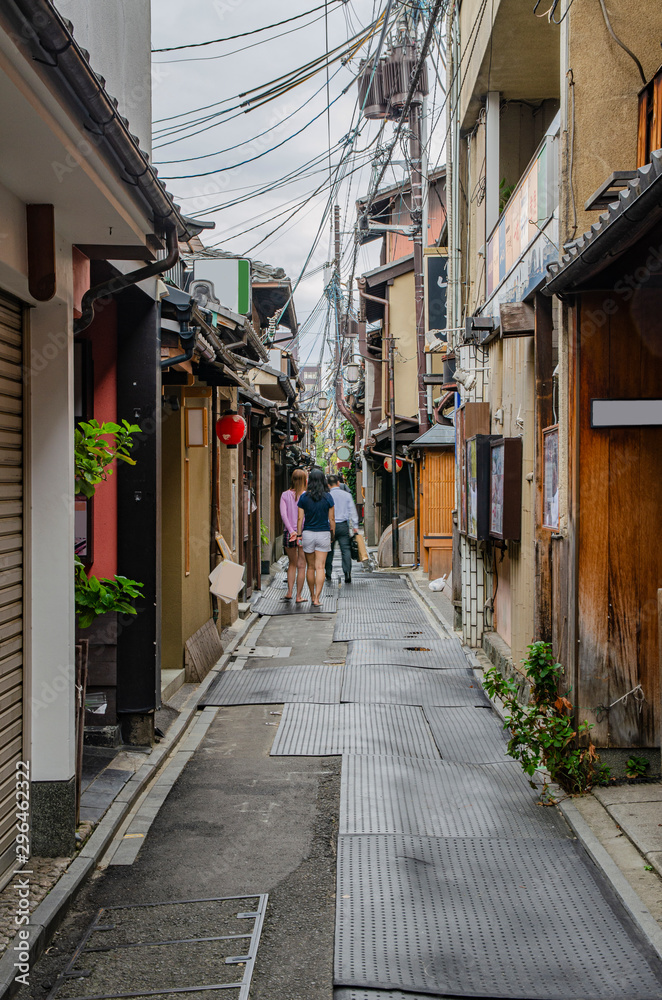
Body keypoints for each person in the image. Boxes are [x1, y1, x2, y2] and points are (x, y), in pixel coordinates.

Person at [296, 467, 335, 607]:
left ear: (310, 480)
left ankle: (311, 595)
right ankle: (317, 598)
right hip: (323, 533)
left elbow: (300, 518)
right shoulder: (328, 497)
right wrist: (332, 534)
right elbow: (332, 519)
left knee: (310, 567)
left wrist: (299, 535)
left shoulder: (303, 497)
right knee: (320, 567)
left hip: (307, 534)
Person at [325, 474, 359, 584]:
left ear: (328, 485)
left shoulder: (327, 495)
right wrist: (355, 526)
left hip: (330, 526)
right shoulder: (346, 495)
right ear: (338, 483)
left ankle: (328, 573)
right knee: (346, 549)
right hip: (343, 526)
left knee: (329, 550)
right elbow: (352, 511)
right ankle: (347, 573)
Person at [279, 469, 307, 601]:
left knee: (292, 563)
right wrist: (299, 532)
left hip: (289, 535)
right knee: (302, 565)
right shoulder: (306, 496)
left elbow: (283, 514)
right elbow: (306, 516)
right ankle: (298, 596)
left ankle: (289, 592)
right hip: (302, 536)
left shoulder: (284, 495)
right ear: (304, 480)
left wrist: (291, 531)